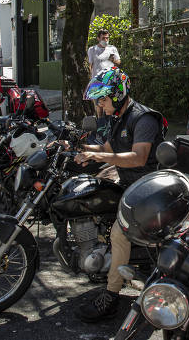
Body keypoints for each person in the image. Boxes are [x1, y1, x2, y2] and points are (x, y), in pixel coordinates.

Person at [73, 67, 166, 322]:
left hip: (148, 188)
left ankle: (111, 296)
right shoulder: (117, 118)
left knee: (119, 233)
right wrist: (77, 147)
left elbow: (138, 157)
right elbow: (107, 148)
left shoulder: (143, 118)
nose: (100, 105)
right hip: (130, 184)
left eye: (103, 99)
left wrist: (100, 156)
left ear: (117, 95)